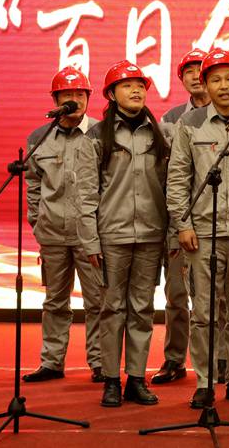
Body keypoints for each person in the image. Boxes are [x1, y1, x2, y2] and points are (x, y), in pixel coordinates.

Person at [166, 47, 229, 409]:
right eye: (216, 80)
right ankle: (205, 382)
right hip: (203, 235)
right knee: (204, 314)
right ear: (205, 86)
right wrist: (182, 224)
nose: (224, 86)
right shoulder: (189, 125)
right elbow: (177, 177)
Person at [77, 61, 170, 407]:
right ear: (111, 94)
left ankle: (136, 379)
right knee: (112, 309)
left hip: (150, 235)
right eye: (127, 85)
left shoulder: (159, 134)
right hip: (111, 237)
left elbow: (170, 187)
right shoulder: (96, 137)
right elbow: (86, 194)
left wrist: (171, 234)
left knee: (143, 309)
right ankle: (111, 380)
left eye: (140, 85)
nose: (136, 90)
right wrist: (90, 240)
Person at [23, 67, 103, 384]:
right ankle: (51, 362)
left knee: (98, 301)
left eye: (80, 94)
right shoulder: (38, 138)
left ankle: (100, 362)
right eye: (67, 95)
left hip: (91, 236)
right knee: (55, 301)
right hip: (53, 234)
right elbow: (33, 185)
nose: (75, 100)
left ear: (88, 98)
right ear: (56, 100)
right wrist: (38, 220)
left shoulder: (100, 133)